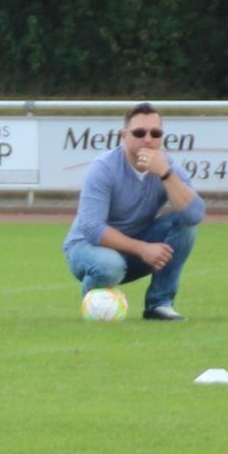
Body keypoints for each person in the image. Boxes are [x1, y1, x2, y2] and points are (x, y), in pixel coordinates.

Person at [62, 102, 205, 320]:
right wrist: (143, 248)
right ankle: (94, 301)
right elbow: (92, 228)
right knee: (110, 266)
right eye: (139, 133)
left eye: (155, 133)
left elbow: (194, 215)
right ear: (124, 136)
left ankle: (159, 305)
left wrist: (166, 174)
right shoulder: (104, 167)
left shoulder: (166, 165)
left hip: (133, 248)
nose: (148, 139)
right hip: (87, 248)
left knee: (183, 219)